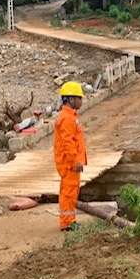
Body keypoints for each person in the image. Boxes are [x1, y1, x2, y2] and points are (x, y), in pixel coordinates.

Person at [54, 81, 88, 232]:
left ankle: (68, 220)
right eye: (79, 98)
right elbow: (68, 142)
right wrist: (75, 160)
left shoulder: (69, 116)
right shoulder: (67, 118)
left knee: (70, 191)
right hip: (69, 163)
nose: (81, 101)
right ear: (71, 99)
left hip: (69, 162)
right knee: (69, 192)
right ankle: (67, 222)